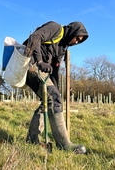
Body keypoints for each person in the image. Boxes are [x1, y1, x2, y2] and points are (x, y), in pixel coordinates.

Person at [23, 21, 88, 154]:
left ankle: (32, 139)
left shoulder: (62, 47)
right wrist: (39, 60)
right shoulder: (56, 28)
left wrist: (58, 90)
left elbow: (54, 72)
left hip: (39, 69)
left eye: (79, 41)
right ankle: (64, 144)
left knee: (50, 99)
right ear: (73, 31)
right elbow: (35, 37)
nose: (76, 42)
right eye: (77, 37)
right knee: (53, 98)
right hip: (30, 64)